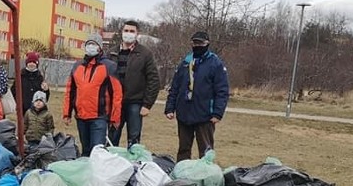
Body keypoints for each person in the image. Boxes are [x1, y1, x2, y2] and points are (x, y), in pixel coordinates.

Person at [165, 31, 230, 161]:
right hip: (184, 113)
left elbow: (222, 91)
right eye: (195, 43)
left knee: (206, 151)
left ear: (207, 44)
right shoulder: (185, 63)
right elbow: (175, 87)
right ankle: (182, 174)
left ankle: (206, 176)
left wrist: (218, 113)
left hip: (205, 114)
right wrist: (170, 108)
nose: (197, 45)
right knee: (183, 149)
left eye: (200, 43)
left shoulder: (215, 64)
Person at [62, 33, 122, 156]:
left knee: (97, 152)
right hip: (81, 116)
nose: (90, 46)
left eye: (93, 44)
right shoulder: (77, 66)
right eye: (88, 44)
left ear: (99, 47)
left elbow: (117, 93)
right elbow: (70, 91)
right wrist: (67, 113)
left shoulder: (109, 66)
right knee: (85, 151)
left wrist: (115, 117)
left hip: (99, 117)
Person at [108, 20, 160, 148]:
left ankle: (134, 165)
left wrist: (147, 104)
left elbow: (154, 79)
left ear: (137, 34)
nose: (128, 33)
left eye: (132, 31)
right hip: (115, 103)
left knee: (134, 140)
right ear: (121, 32)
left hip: (135, 103)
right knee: (111, 137)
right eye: (126, 31)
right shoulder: (111, 53)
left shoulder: (145, 54)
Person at [11, 51, 49, 116]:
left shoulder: (40, 77)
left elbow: (44, 97)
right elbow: (13, 91)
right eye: (30, 62)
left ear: (37, 64)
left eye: (34, 62)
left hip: (36, 110)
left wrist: (46, 90)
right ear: (26, 63)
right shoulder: (20, 76)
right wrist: (18, 103)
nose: (31, 64)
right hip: (22, 110)